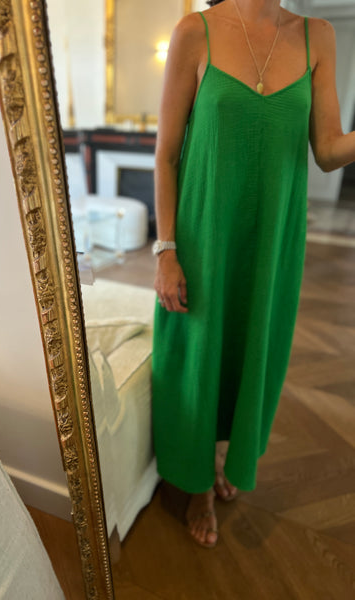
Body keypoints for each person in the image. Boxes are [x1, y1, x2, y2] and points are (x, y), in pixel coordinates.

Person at [151, 0, 355, 549]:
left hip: (272, 243)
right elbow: (166, 155)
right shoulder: (194, 32)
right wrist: (165, 251)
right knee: (200, 357)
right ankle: (197, 484)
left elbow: (329, 150)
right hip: (203, 237)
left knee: (250, 351)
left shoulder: (318, 36)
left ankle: (223, 458)